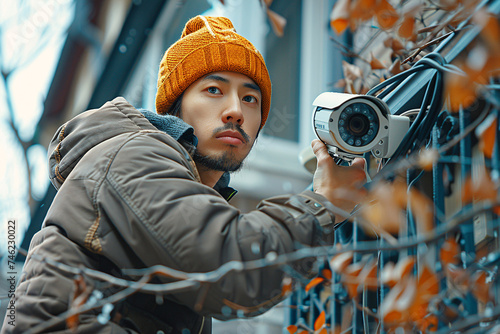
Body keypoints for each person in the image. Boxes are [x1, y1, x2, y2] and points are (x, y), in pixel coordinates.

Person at [2, 15, 366, 334]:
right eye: (213, 90)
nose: (235, 111)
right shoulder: (135, 153)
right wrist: (323, 204)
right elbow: (235, 270)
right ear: (177, 109)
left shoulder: (192, 193)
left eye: (251, 99)